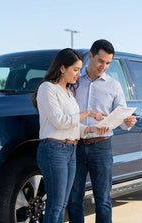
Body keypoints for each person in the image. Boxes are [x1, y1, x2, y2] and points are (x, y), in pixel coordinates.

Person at [32, 48, 109, 223]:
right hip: (54, 149)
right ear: (61, 68)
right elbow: (60, 121)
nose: (78, 74)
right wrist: (87, 113)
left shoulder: (69, 93)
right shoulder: (47, 88)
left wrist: (92, 130)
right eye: (75, 70)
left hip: (70, 150)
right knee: (55, 205)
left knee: (62, 203)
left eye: (80, 70)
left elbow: (73, 126)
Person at [67, 40, 137, 223]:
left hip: (102, 147)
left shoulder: (114, 86)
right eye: (100, 61)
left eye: (108, 63)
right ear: (90, 56)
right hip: (76, 146)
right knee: (74, 199)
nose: (103, 66)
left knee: (103, 199)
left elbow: (121, 117)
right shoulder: (73, 82)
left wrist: (128, 121)